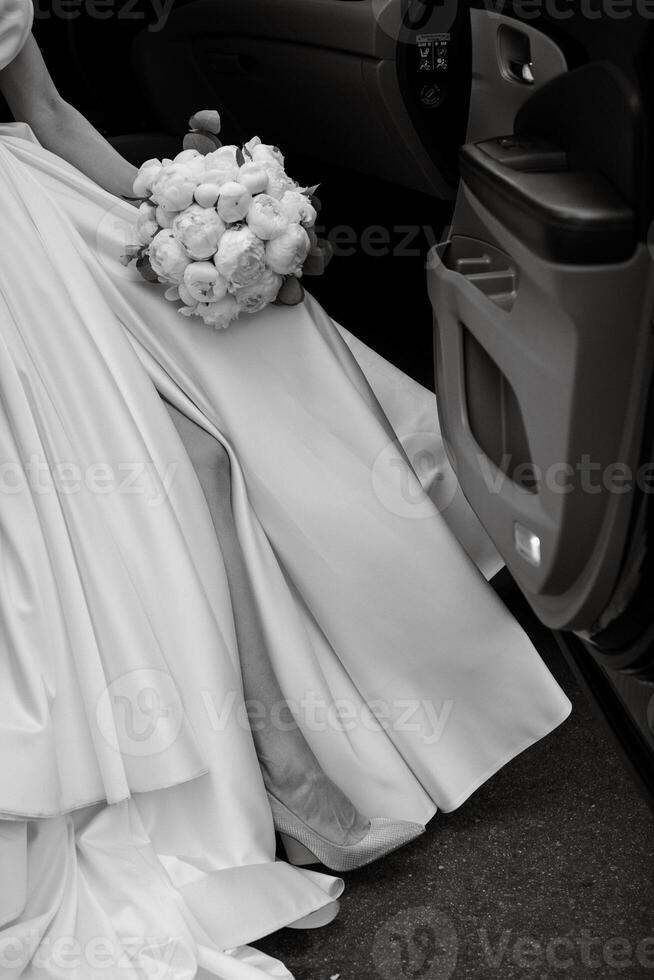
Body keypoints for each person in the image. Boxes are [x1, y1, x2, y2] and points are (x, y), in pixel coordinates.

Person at [0, 2, 571, 977]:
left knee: (233, 414)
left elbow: (50, 114)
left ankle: (308, 734)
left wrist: (179, 207)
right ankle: (218, 769)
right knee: (118, 498)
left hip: (34, 223)